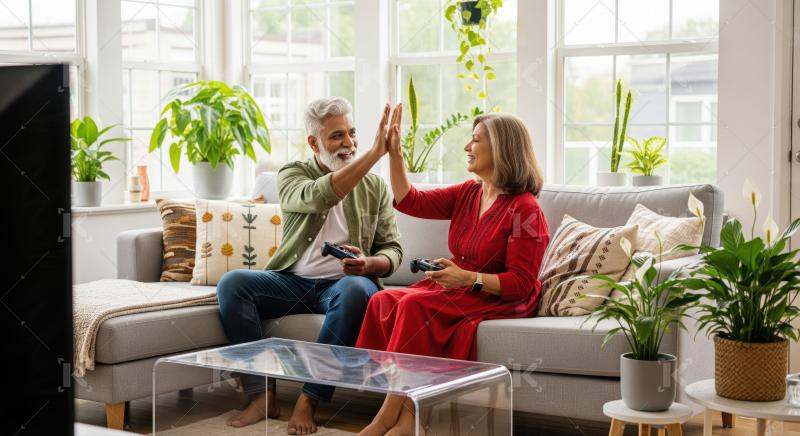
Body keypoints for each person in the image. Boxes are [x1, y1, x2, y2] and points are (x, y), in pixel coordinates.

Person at [355, 111, 551, 436]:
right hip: (459, 287)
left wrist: (468, 278)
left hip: (498, 295)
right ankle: (408, 416)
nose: (467, 147)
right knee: (382, 300)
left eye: (476, 140)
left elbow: (521, 282)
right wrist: (395, 153)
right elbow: (410, 201)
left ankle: (388, 420)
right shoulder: (468, 193)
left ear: (501, 148)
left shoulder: (525, 209)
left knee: (413, 306)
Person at [216, 97, 404, 434]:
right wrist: (375, 154)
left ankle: (309, 399)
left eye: (352, 133)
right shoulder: (292, 174)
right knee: (233, 284)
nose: (349, 143)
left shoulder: (375, 186)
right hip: (293, 283)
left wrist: (370, 263)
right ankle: (261, 395)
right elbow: (319, 196)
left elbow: (393, 248)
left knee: (355, 291)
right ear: (314, 143)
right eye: (337, 136)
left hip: (344, 285)